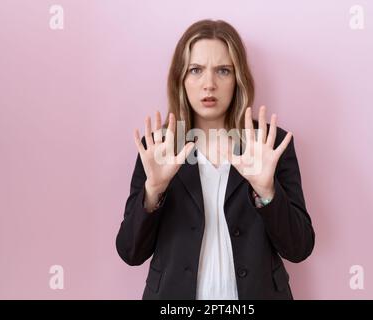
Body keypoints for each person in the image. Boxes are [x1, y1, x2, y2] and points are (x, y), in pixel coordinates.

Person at [116, 19, 315, 300]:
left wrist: (268, 192)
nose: (209, 84)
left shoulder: (270, 144)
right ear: (180, 79)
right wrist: (153, 193)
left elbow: (299, 248)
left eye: (223, 70)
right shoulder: (157, 148)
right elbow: (130, 252)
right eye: (196, 70)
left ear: (238, 79)